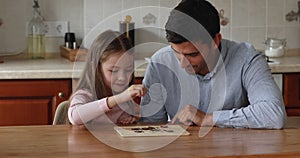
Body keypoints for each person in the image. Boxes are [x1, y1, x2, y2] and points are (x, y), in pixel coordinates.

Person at [140, 0, 286, 129]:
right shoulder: (159, 64)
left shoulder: (246, 58)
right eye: (176, 52)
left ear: (216, 41)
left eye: (193, 54)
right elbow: (150, 126)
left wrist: (209, 118)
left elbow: (274, 114)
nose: (183, 64)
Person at [68, 30, 146, 125]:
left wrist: (130, 118)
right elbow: (75, 117)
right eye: (113, 71)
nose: (122, 77)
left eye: (128, 70)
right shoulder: (86, 94)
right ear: (96, 67)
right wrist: (117, 99)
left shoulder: (125, 100)